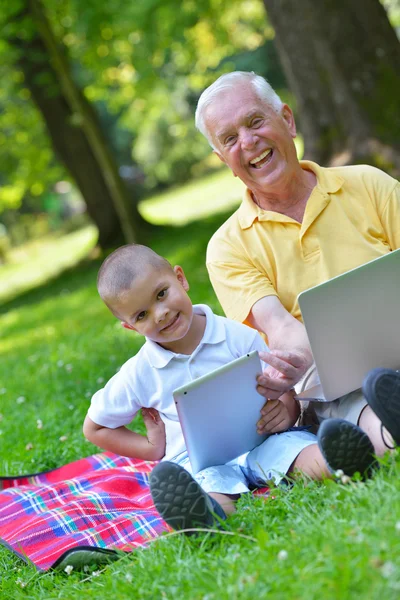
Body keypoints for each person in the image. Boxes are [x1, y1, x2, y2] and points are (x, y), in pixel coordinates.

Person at [83, 244, 375, 533]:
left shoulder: (235, 335)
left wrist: (285, 412)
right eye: (141, 315)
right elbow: (94, 428)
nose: (159, 313)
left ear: (180, 279)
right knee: (207, 490)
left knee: (298, 453)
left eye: (161, 294)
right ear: (130, 327)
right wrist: (151, 448)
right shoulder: (139, 373)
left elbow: (281, 389)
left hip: (261, 439)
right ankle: (205, 517)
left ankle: (340, 459)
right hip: (198, 460)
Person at [197, 71, 400, 457]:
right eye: (229, 139)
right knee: (367, 409)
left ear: (287, 120)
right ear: (223, 158)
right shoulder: (227, 247)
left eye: (255, 121)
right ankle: (391, 428)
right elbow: (278, 326)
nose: (248, 141)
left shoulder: (368, 184)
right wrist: (293, 361)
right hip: (337, 383)